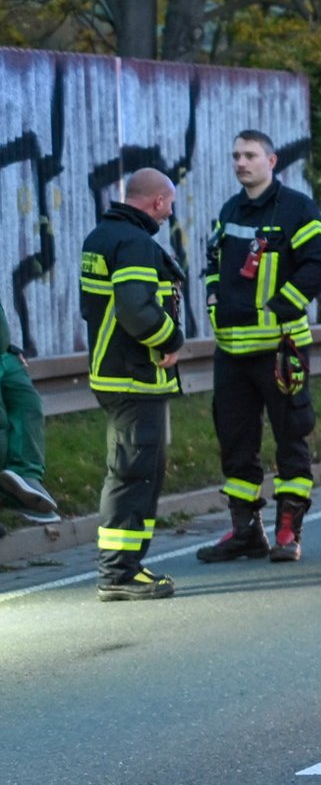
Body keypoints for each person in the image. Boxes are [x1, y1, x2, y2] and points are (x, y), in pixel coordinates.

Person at [196, 130, 321, 565]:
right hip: (231, 352)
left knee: (291, 436)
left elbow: (318, 266)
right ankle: (244, 531)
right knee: (235, 441)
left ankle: (287, 530)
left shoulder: (296, 208)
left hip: (280, 350)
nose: (241, 162)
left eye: (250, 155)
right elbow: (212, 263)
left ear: (271, 161)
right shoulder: (229, 209)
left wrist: (280, 308)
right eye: (236, 155)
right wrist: (214, 297)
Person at [78, 168, 185, 600]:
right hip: (133, 375)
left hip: (117, 372)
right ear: (157, 201)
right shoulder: (136, 243)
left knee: (137, 470)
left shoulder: (103, 236)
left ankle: (126, 566)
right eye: (170, 205)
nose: (169, 213)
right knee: (133, 472)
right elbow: (138, 311)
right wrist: (172, 340)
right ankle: (118, 573)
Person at [0, 294, 61, 525]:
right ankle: (9, 493)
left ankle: (25, 479)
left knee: (29, 404)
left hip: (4, 355)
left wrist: (7, 344)